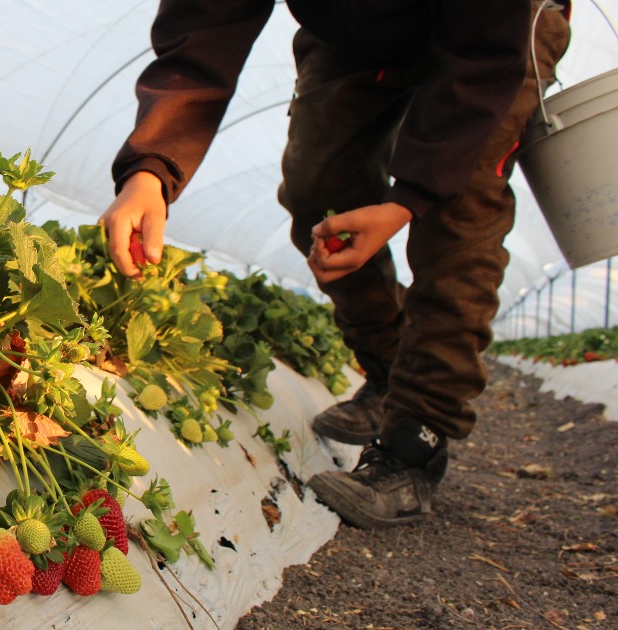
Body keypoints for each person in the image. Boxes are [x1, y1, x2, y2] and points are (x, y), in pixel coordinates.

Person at [101, 0, 571, 528]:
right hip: (355, 34)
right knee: (317, 190)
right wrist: (151, 165)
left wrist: (406, 201)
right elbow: (207, 20)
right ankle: (388, 370)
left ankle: (417, 437)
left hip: (492, 39)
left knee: (460, 212)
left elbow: (485, 52)